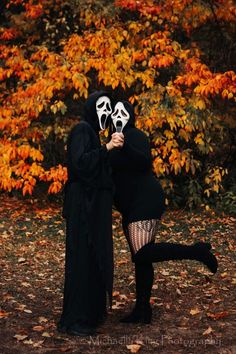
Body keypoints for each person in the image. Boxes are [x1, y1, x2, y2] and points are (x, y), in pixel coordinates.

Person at [109, 100, 218, 324]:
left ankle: (196, 252)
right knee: (141, 259)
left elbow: (144, 161)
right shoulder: (110, 142)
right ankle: (142, 311)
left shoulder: (134, 135)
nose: (118, 116)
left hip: (145, 199)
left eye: (123, 112)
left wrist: (124, 145)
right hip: (129, 206)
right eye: (114, 113)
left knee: (142, 253)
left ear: (129, 116)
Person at [57, 91, 124, 336]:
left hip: (93, 208)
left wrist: (110, 150)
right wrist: (107, 147)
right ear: (91, 109)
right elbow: (80, 163)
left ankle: (89, 314)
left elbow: (101, 171)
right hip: (82, 209)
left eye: (109, 108)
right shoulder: (82, 130)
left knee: (93, 258)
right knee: (82, 260)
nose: (106, 112)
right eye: (101, 107)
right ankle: (75, 319)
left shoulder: (93, 135)